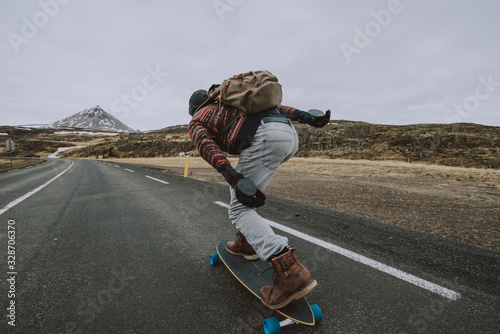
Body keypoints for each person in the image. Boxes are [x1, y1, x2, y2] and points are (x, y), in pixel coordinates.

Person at [188, 87, 330, 309]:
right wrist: (305, 116)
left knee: (239, 209)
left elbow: (207, 146)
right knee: (243, 196)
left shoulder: (198, 118)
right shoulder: (231, 102)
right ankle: (248, 243)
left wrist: (231, 175)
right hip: (289, 135)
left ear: (193, 109)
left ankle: (290, 271)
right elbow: (279, 108)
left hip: (265, 138)